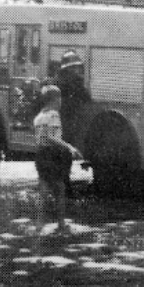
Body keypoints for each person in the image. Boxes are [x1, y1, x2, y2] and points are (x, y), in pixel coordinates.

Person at [33, 86, 82, 230]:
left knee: (43, 189)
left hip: (40, 155)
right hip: (51, 154)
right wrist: (69, 147)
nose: (61, 101)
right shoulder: (54, 114)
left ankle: (39, 224)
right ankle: (61, 223)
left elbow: (40, 138)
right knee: (60, 188)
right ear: (55, 99)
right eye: (60, 98)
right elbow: (52, 137)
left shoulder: (39, 116)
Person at [54, 50, 92, 198]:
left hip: (57, 124)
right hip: (68, 123)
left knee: (60, 156)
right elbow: (86, 98)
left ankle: (60, 187)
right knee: (65, 157)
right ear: (69, 68)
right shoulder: (75, 83)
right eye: (75, 67)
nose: (77, 70)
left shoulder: (55, 82)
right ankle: (64, 189)